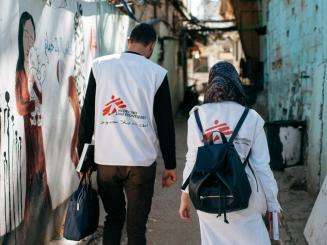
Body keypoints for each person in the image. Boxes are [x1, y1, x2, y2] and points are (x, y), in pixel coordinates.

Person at [78, 23, 177, 245]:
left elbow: (87, 117)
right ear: (151, 47)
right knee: (136, 226)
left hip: (106, 161)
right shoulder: (157, 74)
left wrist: (82, 159)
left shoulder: (100, 66)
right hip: (140, 161)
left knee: (113, 219)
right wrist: (170, 165)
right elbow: (165, 123)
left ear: (128, 41)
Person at [179, 61, 281, 244]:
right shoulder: (251, 117)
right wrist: (273, 206)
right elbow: (262, 167)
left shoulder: (196, 116)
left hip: (207, 195)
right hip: (245, 195)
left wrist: (185, 197)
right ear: (236, 83)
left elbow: (192, 159)